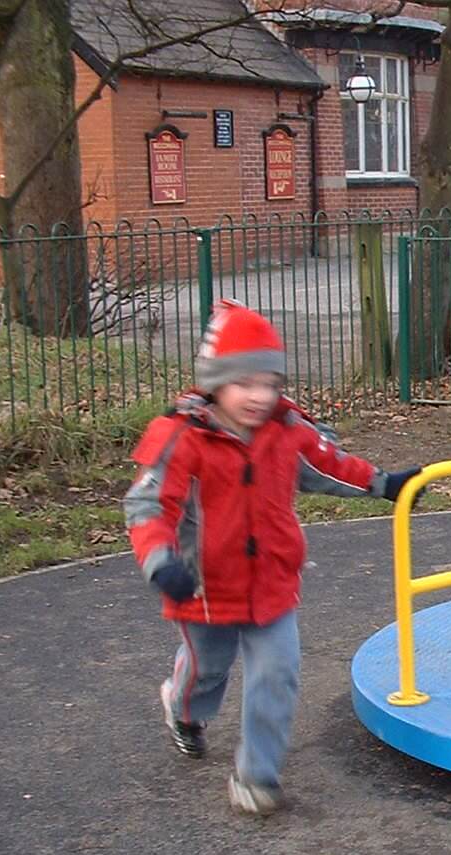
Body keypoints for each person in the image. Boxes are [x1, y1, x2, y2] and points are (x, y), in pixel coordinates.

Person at [124, 299, 421, 817]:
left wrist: (385, 485)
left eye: (270, 384)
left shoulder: (286, 433)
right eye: (245, 384)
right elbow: (150, 504)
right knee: (207, 672)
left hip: (271, 583)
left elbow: (332, 467)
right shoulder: (181, 438)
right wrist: (160, 562)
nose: (260, 397)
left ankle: (257, 776)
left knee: (276, 673)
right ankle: (183, 709)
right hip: (203, 587)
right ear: (214, 382)